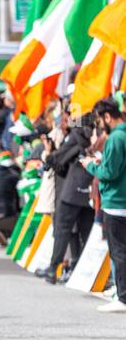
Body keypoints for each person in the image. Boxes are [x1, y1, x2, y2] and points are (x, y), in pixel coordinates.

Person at [38, 113, 95, 282]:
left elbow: (58, 160)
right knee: (86, 232)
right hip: (90, 190)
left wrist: (49, 154)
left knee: (62, 229)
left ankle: (53, 267)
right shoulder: (95, 137)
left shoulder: (76, 136)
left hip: (71, 189)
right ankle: (82, 271)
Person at [83, 98, 126, 313]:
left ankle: (123, 298)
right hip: (121, 201)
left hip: (116, 202)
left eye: (100, 121)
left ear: (108, 116)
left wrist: (90, 166)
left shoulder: (117, 138)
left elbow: (109, 173)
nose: (100, 126)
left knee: (119, 252)